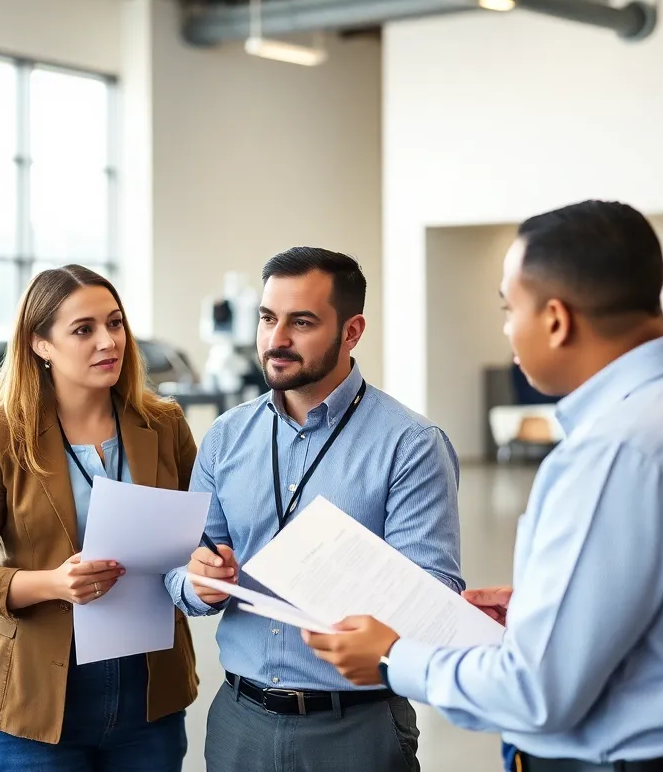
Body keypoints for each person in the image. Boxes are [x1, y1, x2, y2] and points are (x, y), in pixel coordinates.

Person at [304, 201, 663, 772]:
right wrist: (549, 611)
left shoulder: (616, 450)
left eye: (508, 308)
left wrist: (393, 658)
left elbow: (536, 694)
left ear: (556, 319)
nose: (506, 329)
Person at [165, 247, 463, 772]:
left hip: (358, 724)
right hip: (240, 720)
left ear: (352, 332)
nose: (276, 340)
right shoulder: (226, 437)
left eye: (300, 322)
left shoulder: (411, 444)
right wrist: (198, 583)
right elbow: (179, 568)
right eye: (267, 318)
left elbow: (435, 595)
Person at [0, 265, 200, 772]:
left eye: (116, 323)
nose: (109, 341)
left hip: (148, 692)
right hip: (38, 699)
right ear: (41, 345)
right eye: (84, 330)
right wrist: (53, 583)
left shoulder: (163, 424)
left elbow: (202, 534)